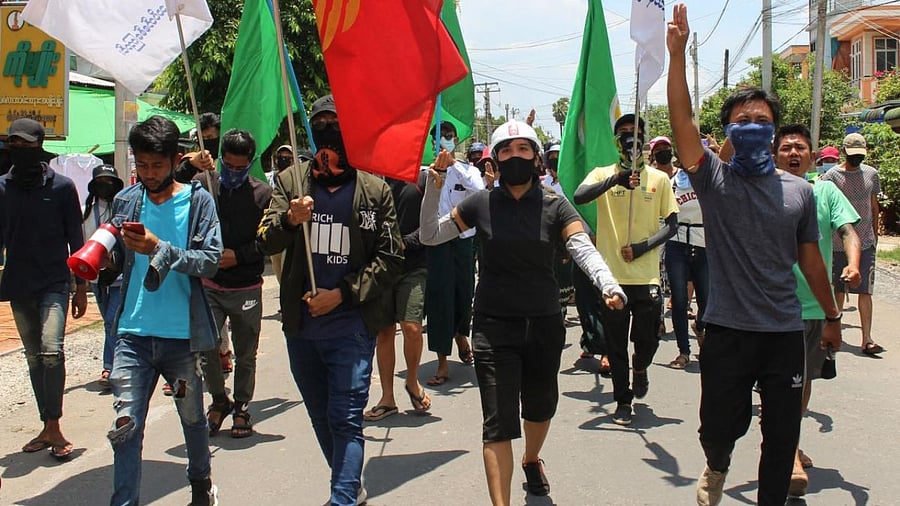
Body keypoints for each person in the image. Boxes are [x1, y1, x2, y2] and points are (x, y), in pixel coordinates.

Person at [666, 6, 844, 505]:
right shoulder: (715, 181)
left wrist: (831, 315)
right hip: (725, 331)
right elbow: (681, 119)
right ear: (725, 133)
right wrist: (677, 57)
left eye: (760, 121)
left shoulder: (799, 193)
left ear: (774, 131)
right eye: (740, 122)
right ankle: (717, 463)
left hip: (783, 333)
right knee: (720, 427)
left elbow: (810, 261)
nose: (750, 127)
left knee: (782, 436)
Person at [419, 120, 625, 505]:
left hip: (544, 324)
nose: (515, 156)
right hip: (493, 328)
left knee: (540, 405)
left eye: (524, 150)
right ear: (495, 160)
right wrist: (434, 186)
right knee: (497, 423)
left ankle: (532, 458)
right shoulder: (479, 203)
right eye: (507, 150)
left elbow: (581, 247)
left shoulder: (555, 204)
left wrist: (607, 283)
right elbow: (431, 235)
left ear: (535, 158)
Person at [257, 94, 403, 505]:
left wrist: (343, 294)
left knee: (346, 418)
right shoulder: (291, 183)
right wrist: (289, 220)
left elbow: (390, 257)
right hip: (302, 330)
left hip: (351, 326)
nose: (327, 129)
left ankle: (340, 498)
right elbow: (264, 239)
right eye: (318, 122)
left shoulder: (374, 189)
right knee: (323, 418)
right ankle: (350, 488)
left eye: (334, 122)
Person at [106, 115, 222, 505]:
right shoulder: (126, 200)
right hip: (132, 334)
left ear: (175, 161)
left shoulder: (198, 201)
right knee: (126, 426)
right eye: (142, 165)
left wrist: (159, 248)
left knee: (192, 419)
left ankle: (201, 483)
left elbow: (209, 261)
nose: (149, 173)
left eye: (157, 165)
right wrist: (102, 262)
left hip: (182, 336)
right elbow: (115, 262)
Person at [773, 124, 862, 497]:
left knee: (803, 380)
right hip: (770, 305)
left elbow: (848, 231)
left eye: (801, 148)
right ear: (774, 154)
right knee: (782, 383)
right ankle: (784, 446)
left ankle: (788, 444)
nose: (794, 153)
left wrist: (854, 263)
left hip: (814, 306)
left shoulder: (825, 190)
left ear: (811, 156)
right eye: (786, 147)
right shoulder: (763, 190)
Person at [573, 113, 679, 426]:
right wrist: (614, 181)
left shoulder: (658, 179)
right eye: (623, 134)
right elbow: (580, 196)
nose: (630, 139)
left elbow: (672, 225)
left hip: (645, 276)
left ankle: (642, 366)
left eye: (636, 134)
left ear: (645, 141)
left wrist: (644, 247)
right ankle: (623, 400)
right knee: (616, 344)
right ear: (615, 140)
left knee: (647, 340)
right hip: (612, 279)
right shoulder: (603, 173)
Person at [0, 117, 86, 460]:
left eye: (26, 145)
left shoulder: (62, 187)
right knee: (34, 358)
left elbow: (76, 240)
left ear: (39, 148)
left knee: (52, 350)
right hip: (19, 283)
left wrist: (81, 287)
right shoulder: (2, 188)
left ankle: (55, 422)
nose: (19, 150)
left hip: (54, 280)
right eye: (13, 145)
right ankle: (47, 424)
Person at [196, 129, 272, 439]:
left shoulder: (262, 194)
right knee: (207, 349)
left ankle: (241, 406)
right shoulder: (203, 187)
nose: (234, 173)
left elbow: (270, 240)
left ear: (250, 163)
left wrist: (239, 256)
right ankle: (218, 400)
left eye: (241, 168)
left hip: (246, 286)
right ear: (219, 160)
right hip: (210, 284)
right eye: (229, 166)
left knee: (245, 352)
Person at [364, 171, 431, 421]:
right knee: (385, 332)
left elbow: (431, 223)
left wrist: (405, 243)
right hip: (381, 269)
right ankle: (387, 398)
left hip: (414, 266)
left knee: (412, 327)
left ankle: (412, 381)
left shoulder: (423, 181)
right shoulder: (371, 184)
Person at [423, 121, 485, 386]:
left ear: (456, 139)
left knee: (464, 293)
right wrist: (438, 172)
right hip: (438, 242)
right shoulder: (425, 172)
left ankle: (462, 334)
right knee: (440, 299)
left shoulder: (467, 171)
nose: (445, 140)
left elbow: (480, 194)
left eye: (449, 136)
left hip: (463, 241)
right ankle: (442, 361)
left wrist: (453, 168)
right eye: (440, 137)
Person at [820, 132, 884, 356]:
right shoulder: (831, 176)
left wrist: (875, 235)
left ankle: (867, 339)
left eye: (860, 155)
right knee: (838, 290)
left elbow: (873, 205)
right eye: (853, 154)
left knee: (865, 292)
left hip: (865, 241)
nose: (857, 159)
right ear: (844, 151)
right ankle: (833, 333)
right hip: (838, 243)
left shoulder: (871, 174)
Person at [82, 164, 126, 388]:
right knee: (110, 323)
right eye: (102, 182)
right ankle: (118, 363)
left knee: (112, 321)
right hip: (96, 277)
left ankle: (110, 367)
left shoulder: (123, 210)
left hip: (119, 275)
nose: (105, 187)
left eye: (110, 183)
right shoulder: (85, 211)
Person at [665, 149, 708, 369]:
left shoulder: (708, 180)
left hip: (703, 245)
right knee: (680, 301)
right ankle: (684, 351)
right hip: (677, 244)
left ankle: (700, 328)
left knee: (707, 300)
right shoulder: (671, 183)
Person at [269, 144, 296, 285]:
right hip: (274, 227)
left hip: (290, 229)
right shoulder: (269, 178)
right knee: (278, 267)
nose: (284, 160)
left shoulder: (297, 178)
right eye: (281, 157)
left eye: (288, 157)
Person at [175, 112, 220, 182]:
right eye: (202, 138)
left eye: (209, 137)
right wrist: (191, 163)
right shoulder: (191, 160)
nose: (206, 141)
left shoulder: (227, 161)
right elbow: (177, 180)